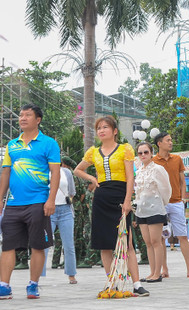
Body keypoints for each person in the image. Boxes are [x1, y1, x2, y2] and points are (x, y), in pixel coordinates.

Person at [0, 105, 60, 300]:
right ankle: (4, 286)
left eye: (28, 115)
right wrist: (0, 200)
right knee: (8, 245)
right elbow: (5, 172)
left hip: (38, 202)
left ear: (38, 120)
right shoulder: (12, 145)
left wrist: (51, 200)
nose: (23, 118)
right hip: (14, 204)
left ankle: (33, 285)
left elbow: (55, 172)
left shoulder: (49, 143)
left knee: (37, 245)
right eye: (21, 115)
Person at [74, 116, 148, 297]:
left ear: (115, 131)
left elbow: (130, 177)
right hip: (101, 197)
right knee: (104, 244)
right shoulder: (93, 152)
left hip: (120, 194)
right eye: (98, 127)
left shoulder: (125, 149)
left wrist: (128, 200)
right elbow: (78, 169)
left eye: (105, 127)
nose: (101, 130)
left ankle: (136, 283)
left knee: (126, 241)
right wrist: (92, 178)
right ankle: (111, 282)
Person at [152, 132, 189, 278]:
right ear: (159, 143)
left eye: (171, 140)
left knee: (183, 236)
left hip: (176, 202)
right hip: (160, 204)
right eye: (168, 140)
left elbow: (182, 180)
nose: (171, 143)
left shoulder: (177, 159)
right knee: (161, 238)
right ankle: (163, 270)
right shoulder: (153, 161)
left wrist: (183, 197)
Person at [134, 142, 171, 283]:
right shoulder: (139, 171)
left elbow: (166, 189)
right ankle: (151, 271)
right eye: (140, 153)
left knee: (156, 241)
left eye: (146, 152)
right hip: (141, 210)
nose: (143, 155)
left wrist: (162, 203)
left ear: (151, 153)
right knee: (148, 242)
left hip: (155, 209)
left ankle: (158, 273)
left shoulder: (158, 169)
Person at [50, 160, 78, 283]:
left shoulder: (66, 172)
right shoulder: (44, 172)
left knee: (68, 244)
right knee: (42, 244)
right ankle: (37, 276)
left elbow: (72, 192)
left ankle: (71, 274)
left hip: (65, 209)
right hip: (49, 210)